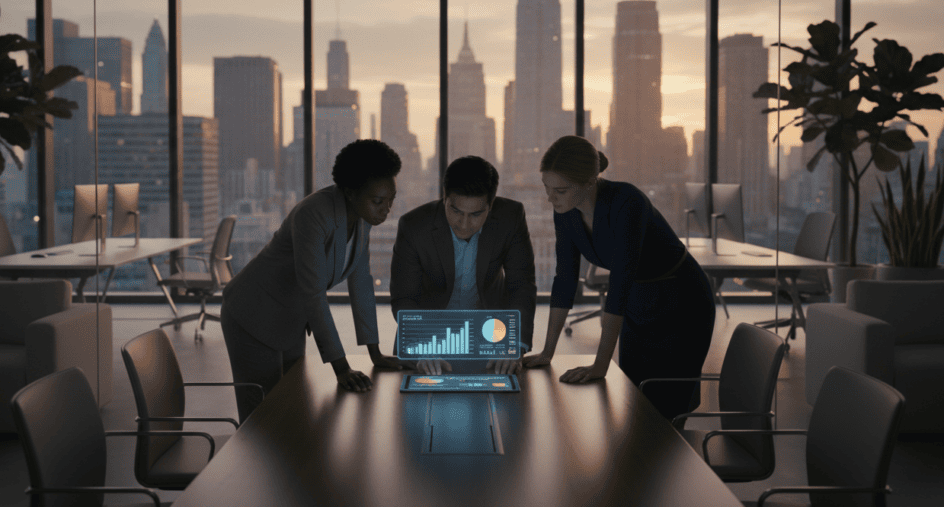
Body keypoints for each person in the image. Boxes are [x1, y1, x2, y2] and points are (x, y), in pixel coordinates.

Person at [524, 135, 715, 421]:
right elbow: (565, 279)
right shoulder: (566, 212)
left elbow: (619, 283)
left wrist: (600, 364)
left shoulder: (627, 201)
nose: (550, 198)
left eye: (560, 190)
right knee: (635, 402)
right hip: (639, 301)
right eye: (547, 188)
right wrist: (547, 352)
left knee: (669, 408)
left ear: (589, 182)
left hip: (680, 301)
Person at [220, 139, 404, 424]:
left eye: (391, 199)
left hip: (291, 318)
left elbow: (361, 283)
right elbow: (314, 293)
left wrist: (375, 353)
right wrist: (341, 367)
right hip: (252, 314)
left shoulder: (361, 218)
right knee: (260, 422)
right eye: (378, 201)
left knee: (293, 408)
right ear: (350, 192)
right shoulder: (314, 214)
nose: (386, 209)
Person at [391, 155, 536, 375]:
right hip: (427, 341)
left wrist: (514, 345)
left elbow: (522, 285)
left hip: (491, 338)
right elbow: (404, 297)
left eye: (476, 214)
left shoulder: (511, 217)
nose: (464, 224)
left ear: (491, 205)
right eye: (456, 211)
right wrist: (422, 347)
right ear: (444, 198)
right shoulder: (414, 226)